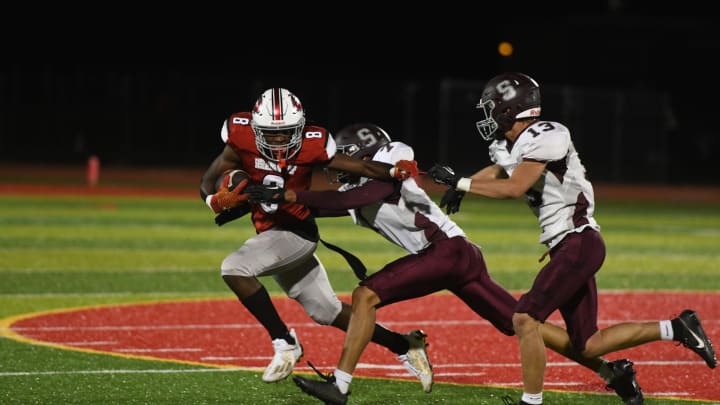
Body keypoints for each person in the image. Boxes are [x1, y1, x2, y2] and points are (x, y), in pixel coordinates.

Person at [246, 122, 647, 405]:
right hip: (457, 256)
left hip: (447, 252)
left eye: (345, 158)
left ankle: (341, 386)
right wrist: (262, 198)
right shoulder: (358, 191)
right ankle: (612, 372)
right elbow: (329, 205)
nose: (338, 168)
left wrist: (293, 198)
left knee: (365, 296)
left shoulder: (390, 165)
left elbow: (348, 197)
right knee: (522, 324)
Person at [428, 72, 717, 405]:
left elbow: (514, 186)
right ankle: (678, 327)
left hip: (578, 242)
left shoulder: (547, 133)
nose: (488, 114)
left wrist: (460, 183)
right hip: (567, 247)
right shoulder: (509, 144)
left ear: (510, 109)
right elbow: (500, 170)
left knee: (524, 318)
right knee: (589, 345)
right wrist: (462, 187)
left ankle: (530, 402)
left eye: (492, 106)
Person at [198, 88, 426, 385]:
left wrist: (396, 170)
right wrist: (215, 201)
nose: (278, 140)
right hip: (271, 233)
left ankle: (284, 341)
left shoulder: (311, 144)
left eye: (286, 133)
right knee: (326, 311)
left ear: (299, 128)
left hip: (296, 232)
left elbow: (362, 166)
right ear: (255, 127)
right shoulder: (240, 136)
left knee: (234, 267)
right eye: (270, 133)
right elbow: (208, 180)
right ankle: (404, 344)